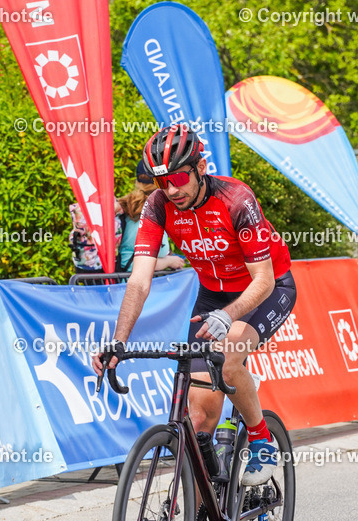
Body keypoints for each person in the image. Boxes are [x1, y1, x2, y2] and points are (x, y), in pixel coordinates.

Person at [92, 124, 295, 487]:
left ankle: (262, 440)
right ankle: (199, 514)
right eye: (162, 181)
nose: (171, 190)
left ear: (200, 168)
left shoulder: (237, 200)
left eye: (178, 178)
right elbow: (139, 280)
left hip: (266, 289)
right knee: (198, 422)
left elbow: (264, 279)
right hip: (213, 294)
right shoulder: (158, 205)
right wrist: (118, 341)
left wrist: (228, 315)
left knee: (228, 358)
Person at [116, 161, 185, 273]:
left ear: (137, 181)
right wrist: (168, 262)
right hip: (133, 279)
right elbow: (131, 262)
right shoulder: (150, 209)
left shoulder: (127, 204)